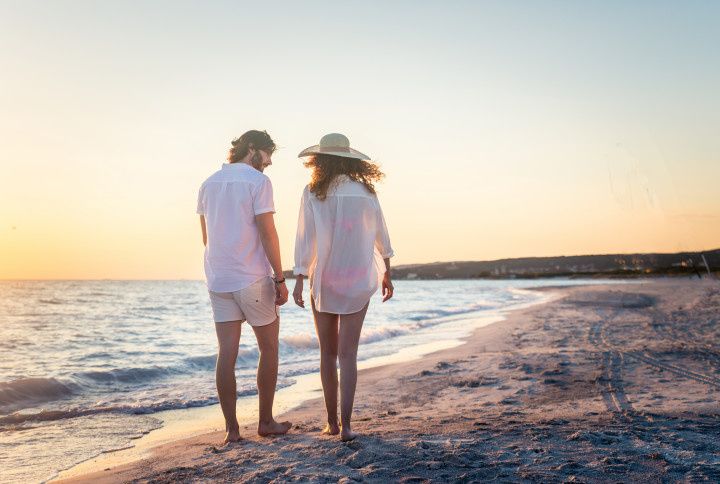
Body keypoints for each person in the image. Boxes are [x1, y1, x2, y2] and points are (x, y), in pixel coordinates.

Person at [292, 133, 394, 441]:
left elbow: (305, 239)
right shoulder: (366, 191)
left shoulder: (313, 191)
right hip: (359, 276)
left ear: (319, 160)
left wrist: (298, 278)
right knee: (349, 354)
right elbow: (382, 235)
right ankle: (347, 426)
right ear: (350, 160)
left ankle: (331, 423)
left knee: (328, 353)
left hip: (325, 278)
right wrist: (387, 272)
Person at [196, 130, 291, 444]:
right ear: (252, 149)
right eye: (267, 155)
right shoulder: (258, 182)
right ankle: (265, 422)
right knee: (269, 347)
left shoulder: (207, 184)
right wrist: (280, 277)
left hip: (218, 278)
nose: (269, 163)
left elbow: (206, 238)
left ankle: (232, 430)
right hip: (251, 277)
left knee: (227, 354)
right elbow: (268, 233)